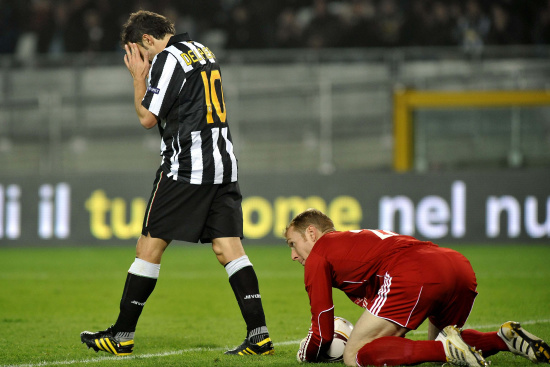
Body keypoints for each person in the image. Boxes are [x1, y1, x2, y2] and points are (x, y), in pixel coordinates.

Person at [80, 10, 274, 357]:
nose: (141, 61)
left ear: (147, 40)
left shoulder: (167, 58)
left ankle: (122, 335)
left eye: (139, 53)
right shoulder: (202, 49)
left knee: (148, 247)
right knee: (228, 248)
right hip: (223, 164)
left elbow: (146, 117)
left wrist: (139, 78)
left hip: (186, 168)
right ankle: (259, 335)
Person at [284, 208, 550, 366]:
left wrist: (308, 353)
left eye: (292, 244)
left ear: (311, 233)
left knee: (355, 354)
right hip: (456, 266)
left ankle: (448, 349)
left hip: (414, 272)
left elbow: (322, 328)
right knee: (438, 348)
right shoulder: (353, 242)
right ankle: (503, 338)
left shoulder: (319, 254)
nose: (293, 256)